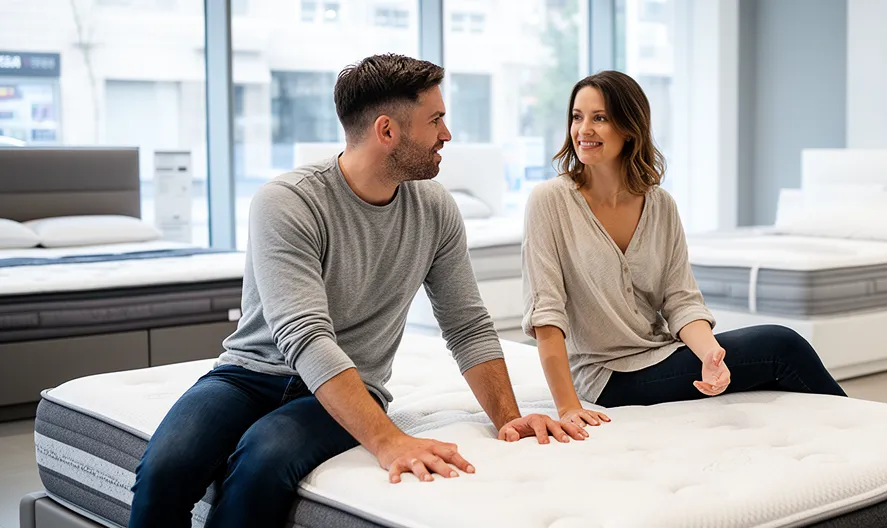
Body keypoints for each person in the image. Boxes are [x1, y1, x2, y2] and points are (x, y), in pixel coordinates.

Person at [128, 54, 587, 528]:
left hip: (353, 387)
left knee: (260, 462)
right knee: (165, 469)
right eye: (436, 121)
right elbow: (305, 335)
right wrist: (388, 441)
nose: (446, 135)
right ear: (387, 131)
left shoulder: (436, 209)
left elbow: (467, 326)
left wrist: (508, 419)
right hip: (248, 376)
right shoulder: (287, 202)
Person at [522, 71, 847, 429]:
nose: (584, 129)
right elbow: (546, 316)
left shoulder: (660, 204)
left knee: (777, 378)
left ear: (629, 127)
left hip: (661, 353)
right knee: (781, 346)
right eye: (577, 117)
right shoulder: (550, 201)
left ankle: (835, 443)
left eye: (600, 118)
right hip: (606, 376)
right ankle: (862, 430)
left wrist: (709, 356)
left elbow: (681, 300)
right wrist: (568, 407)